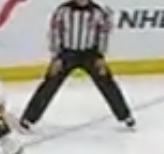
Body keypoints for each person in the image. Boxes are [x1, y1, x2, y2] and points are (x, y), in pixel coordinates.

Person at [19, 0, 134, 130]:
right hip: (66, 54)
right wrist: (56, 57)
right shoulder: (63, 10)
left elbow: (103, 34)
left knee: (107, 81)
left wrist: (100, 56)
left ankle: (125, 116)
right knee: (50, 82)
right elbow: (54, 33)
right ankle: (29, 118)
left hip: (91, 54)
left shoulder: (97, 12)